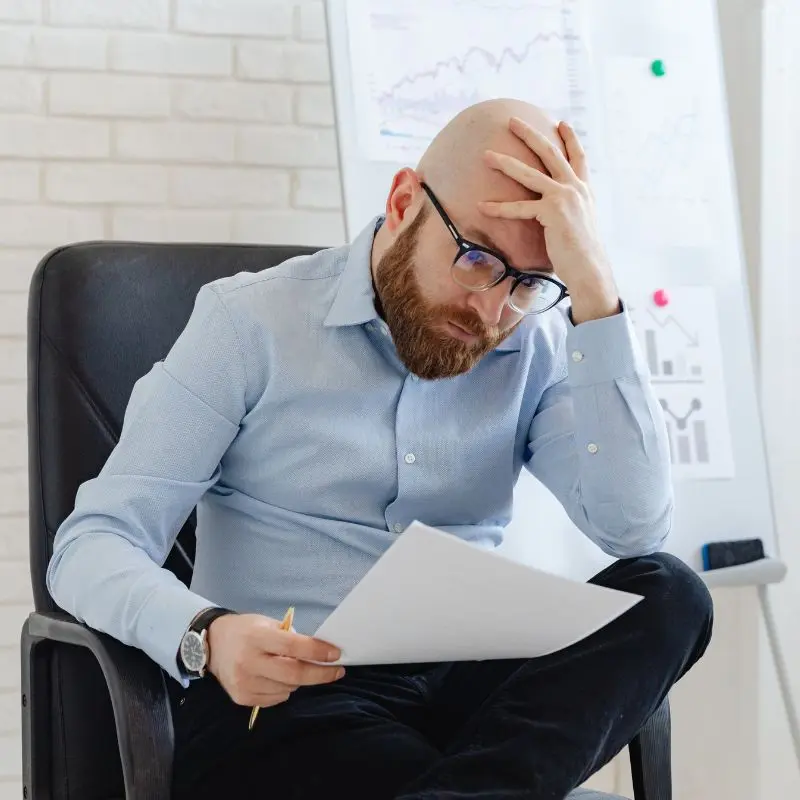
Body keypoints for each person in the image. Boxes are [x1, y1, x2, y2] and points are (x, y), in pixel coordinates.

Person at [47, 98, 713, 799]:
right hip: (292, 702)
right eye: (479, 258)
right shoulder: (249, 324)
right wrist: (207, 634)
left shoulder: (536, 344)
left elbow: (632, 526)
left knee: (671, 594)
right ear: (403, 203)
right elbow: (92, 543)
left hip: (464, 694)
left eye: (528, 283)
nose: (492, 311)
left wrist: (596, 297)